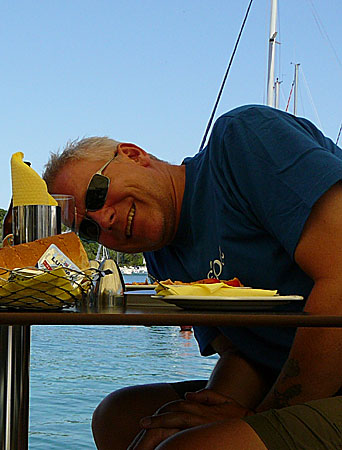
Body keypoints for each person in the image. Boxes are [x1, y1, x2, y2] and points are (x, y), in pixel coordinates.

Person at [42, 104, 342, 450]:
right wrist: (208, 408)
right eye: (90, 228)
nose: (104, 219)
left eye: (96, 194)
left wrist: (261, 416)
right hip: (292, 380)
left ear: (133, 154)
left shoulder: (242, 140)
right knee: (119, 417)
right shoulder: (162, 255)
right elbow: (241, 351)